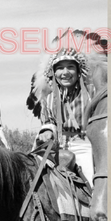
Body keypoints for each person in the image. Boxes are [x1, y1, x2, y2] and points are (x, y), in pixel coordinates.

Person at [34, 47, 95, 185]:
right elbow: (48, 122)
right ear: (54, 72)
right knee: (36, 179)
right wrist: (47, 131)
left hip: (85, 145)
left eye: (70, 67)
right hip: (57, 147)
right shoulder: (48, 99)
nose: (65, 72)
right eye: (60, 68)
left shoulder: (92, 93)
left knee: (91, 183)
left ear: (79, 71)